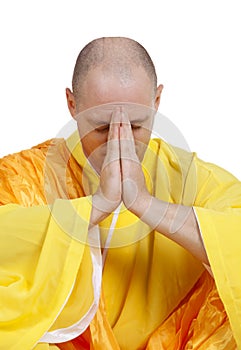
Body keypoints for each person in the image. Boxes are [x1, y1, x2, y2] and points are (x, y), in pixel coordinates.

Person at [0, 37, 240, 350]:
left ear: (157, 101)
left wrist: (147, 205)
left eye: (137, 126)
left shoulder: (188, 176)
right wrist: (96, 207)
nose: (119, 141)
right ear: (73, 105)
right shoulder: (26, 173)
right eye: (101, 128)